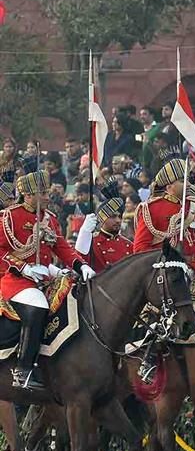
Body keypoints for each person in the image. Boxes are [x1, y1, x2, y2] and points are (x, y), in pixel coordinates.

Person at [0, 164, 90, 389]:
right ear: (28, 195)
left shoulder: (49, 218)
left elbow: (62, 247)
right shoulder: (9, 217)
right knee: (38, 306)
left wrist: (81, 266)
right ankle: (23, 369)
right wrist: (23, 268)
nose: (47, 196)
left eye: (47, 191)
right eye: (42, 192)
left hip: (45, 277)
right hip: (17, 280)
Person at [132, 157, 195, 277]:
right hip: (164, 270)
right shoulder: (151, 209)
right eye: (181, 181)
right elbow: (140, 248)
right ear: (169, 187)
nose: (187, 184)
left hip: (192, 268)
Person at [73, 192, 133, 271]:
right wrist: (84, 233)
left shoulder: (128, 245)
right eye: (113, 216)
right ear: (102, 219)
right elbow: (78, 262)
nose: (118, 220)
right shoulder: (91, 242)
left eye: (120, 216)